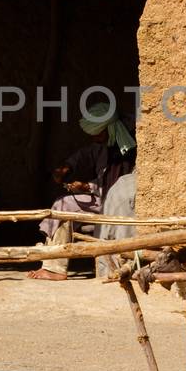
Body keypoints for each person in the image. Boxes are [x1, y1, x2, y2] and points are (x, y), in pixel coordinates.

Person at [29, 101, 136, 281]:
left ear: (108, 128)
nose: (95, 139)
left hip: (120, 206)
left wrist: (87, 187)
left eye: (98, 134)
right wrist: (67, 167)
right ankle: (54, 265)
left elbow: (118, 189)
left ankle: (55, 266)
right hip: (101, 199)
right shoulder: (106, 143)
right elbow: (86, 154)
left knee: (65, 207)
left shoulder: (127, 149)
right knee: (62, 205)